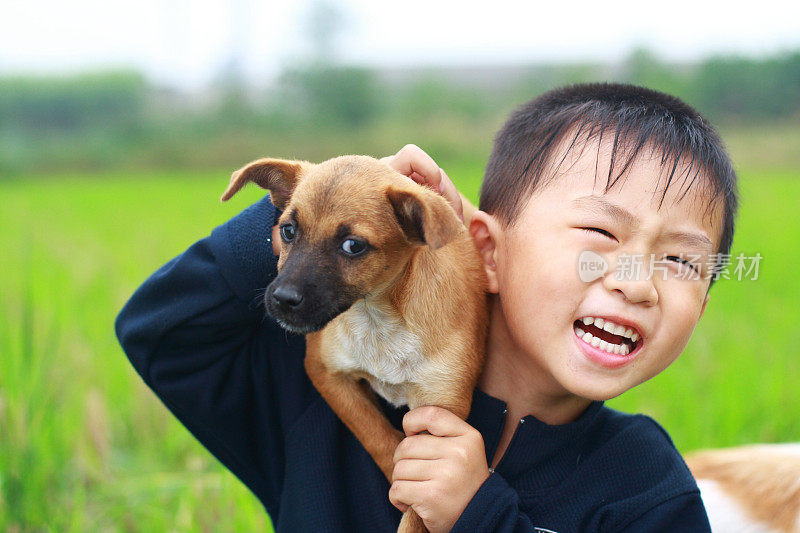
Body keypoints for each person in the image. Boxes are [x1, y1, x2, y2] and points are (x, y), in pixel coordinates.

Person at [116, 82, 736, 531]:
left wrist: (483, 520)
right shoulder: (321, 404)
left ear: (703, 304)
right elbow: (158, 331)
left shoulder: (646, 489)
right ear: (487, 251)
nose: (637, 283)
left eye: (682, 262)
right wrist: (320, 205)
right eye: (602, 235)